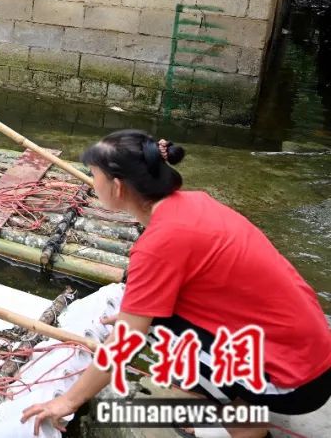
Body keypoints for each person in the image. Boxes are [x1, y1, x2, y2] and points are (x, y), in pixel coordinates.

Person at [21, 130, 331, 437]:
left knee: (155, 328)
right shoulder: (193, 203)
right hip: (313, 353)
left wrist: (69, 400)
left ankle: (245, 425)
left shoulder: (159, 243)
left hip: (295, 383)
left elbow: (125, 343)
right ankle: (228, 396)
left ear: (117, 187)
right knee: (148, 313)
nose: (91, 182)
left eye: (94, 175)